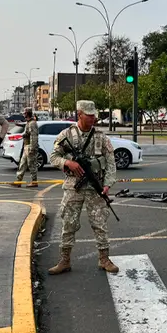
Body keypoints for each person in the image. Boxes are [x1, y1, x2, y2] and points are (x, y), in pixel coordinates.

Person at [47, 100, 119, 275]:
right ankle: (65, 260)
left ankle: (104, 259)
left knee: (100, 224)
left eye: (94, 115)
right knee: (68, 223)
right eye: (89, 115)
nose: (93, 118)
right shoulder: (67, 135)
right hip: (74, 187)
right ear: (79, 114)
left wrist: (108, 184)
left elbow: (111, 163)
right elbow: (53, 157)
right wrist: (68, 163)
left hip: (96, 188)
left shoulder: (101, 137)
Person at [14, 107, 39, 188]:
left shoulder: (32, 123)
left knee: (32, 165)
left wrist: (32, 148)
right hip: (26, 146)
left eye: (24, 113)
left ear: (27, 113)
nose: (23, 114)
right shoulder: (29, 122)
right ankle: (18, 181)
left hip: (30, 147)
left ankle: (34, 181)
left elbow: (33, 136)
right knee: (22, 164)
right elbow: (27, 133)